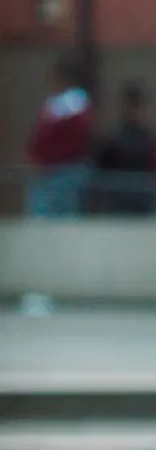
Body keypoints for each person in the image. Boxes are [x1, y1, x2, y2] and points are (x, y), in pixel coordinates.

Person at [19, 54, 95, 315]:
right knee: (41, 233)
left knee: (53, 233)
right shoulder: (58, 106)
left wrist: (45, 160)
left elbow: (63, 143)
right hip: (48, 174)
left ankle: (55, 289)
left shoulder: (73, 106)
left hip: (59, 175)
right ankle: (45, 290)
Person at [90, 80, 156, 216]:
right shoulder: (113, 139)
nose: (133, 111)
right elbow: (102, 169)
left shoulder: (149, 139)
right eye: (131, 106)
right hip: (119, 200)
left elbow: (155, 170)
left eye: (136, 106)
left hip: (143, 199)